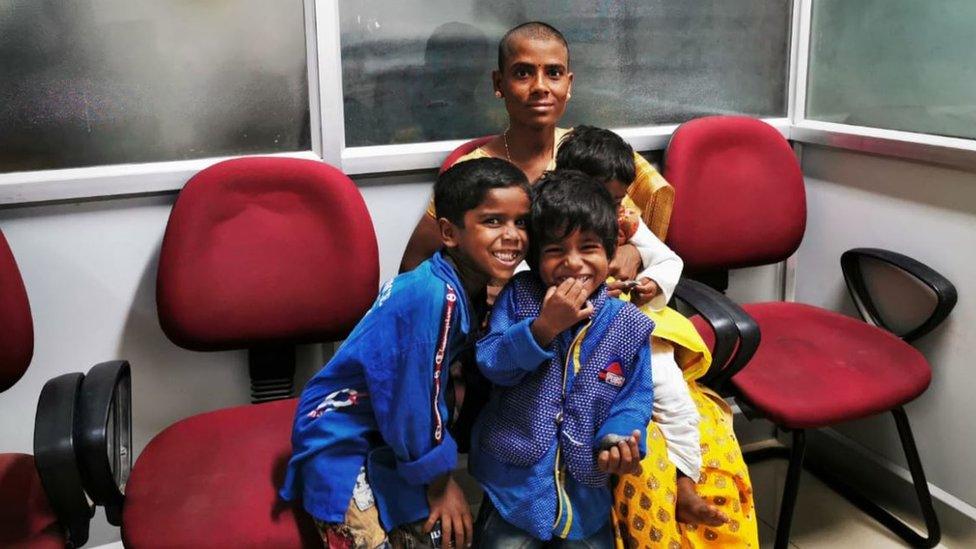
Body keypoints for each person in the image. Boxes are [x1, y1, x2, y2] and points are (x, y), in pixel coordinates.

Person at [279, 158, 531, 549]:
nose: (512, 235)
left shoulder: (463, 283)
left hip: (386, 433)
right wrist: (439, 484)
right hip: (340, 437)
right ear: (449, 232)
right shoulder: (434, 297)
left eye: (521, 222)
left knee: (439, 536)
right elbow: (413, 405)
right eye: (493, 221)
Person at [471, 172, 708, 547]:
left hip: (586, 487)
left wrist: (620, 439)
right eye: (555, 251)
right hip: (514, 482)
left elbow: (634, 397)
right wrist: (542, 329)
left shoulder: (628, 324)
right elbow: (491, 364)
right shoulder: (519, 297)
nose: (574, 263)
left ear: (610, 252)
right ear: (534, 257)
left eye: (589, 247)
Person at [557, 127, 759, 547]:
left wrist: (650, 281)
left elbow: (669, 260)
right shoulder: (552, 222)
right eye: (599, 201)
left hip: (635, 328)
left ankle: (685, 483)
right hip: (580, 336)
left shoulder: (625, 223)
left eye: (614, 203)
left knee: (671, 395)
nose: (608, 214)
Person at [399, 21, 647, 290]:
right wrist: (474, 295)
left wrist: (635, 252)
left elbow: (635, 230)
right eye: (523, 73)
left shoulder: (591, 153)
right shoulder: (473, 171)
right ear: (499, 83)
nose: (540, 86)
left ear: (569, 83)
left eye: (553, 73)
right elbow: (414, 265)